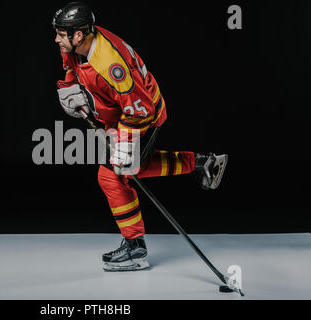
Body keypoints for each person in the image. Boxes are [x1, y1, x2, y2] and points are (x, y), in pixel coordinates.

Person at [53, 2, 228, 271]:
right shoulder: (78, 43)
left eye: (61, 34)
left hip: (142, 117)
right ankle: (202, 163)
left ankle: (135, 248)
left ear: (78, 35)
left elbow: (141, 110)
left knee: (113, 174)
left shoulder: (111, 64)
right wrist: (68, 86)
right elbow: (71, 65)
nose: (57, 39)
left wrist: (120, 142)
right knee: (135, 167)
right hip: (120, 113)